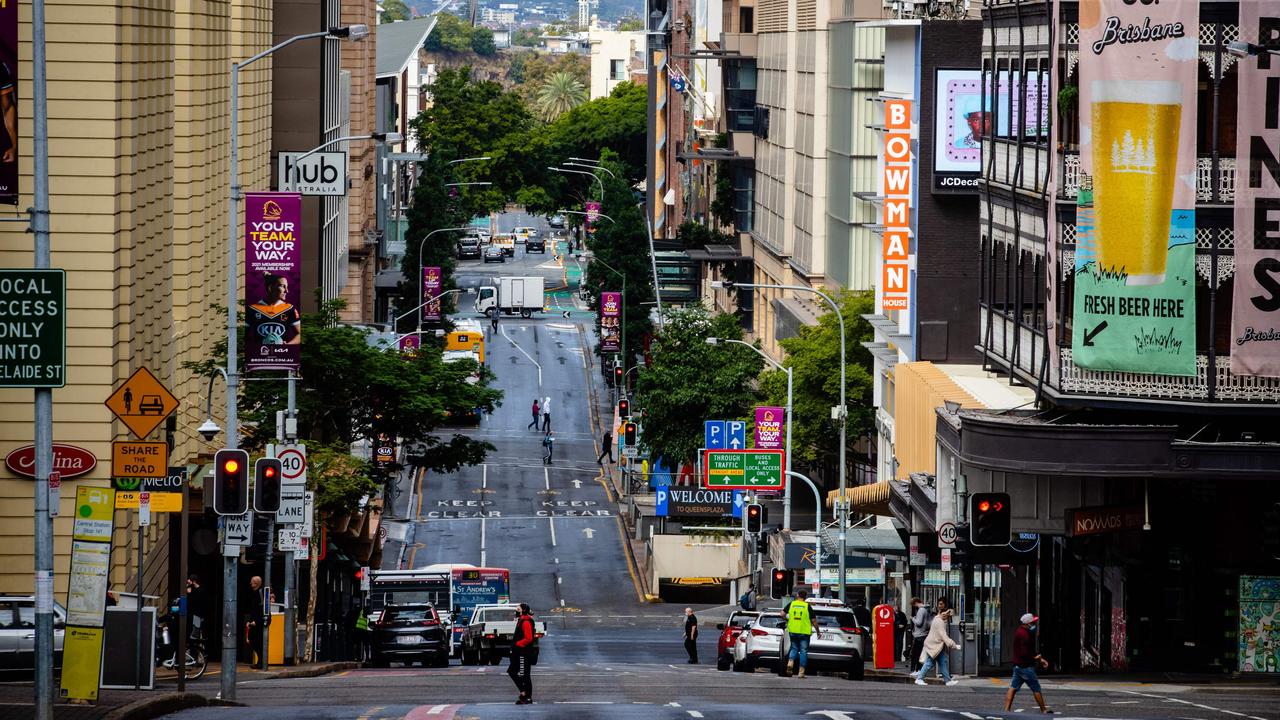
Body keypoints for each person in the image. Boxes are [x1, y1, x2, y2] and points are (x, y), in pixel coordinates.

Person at [1005, 613, 1053, 714]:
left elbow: (1029, 650)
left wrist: (1040, 659)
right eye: (1033, 622)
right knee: (1036, 687)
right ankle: (1043, 709)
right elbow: (1025, 652)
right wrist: (1035, 658)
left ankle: (1006, 710)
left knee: (1013, 687)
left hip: (1017, 666)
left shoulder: (1020, 631)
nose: (1035, 624)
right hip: (1025, 667)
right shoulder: (1024, 634)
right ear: (1027, 623)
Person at [248, 273, 301, 346]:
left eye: (287, 287)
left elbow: (300, 334)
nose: (287, 291)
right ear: (270, 288)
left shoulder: (290, 309)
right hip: (258, 355)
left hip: (282, 354)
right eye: (283, 286)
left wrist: (288, 345)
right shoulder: (252, 309)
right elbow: (243, 336)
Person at [915, 607, 960, 686]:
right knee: (930, 662)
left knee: (943, 662)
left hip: (935, 645)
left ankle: (947, 681)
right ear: (943, 613)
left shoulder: (937, 619)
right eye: (947, 614)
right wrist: (954, 645)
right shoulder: (939, 622)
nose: (948, 616)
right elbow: (943, 636)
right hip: (934, 645)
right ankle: (919, 678)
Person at [509, 603, 538, 704]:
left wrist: (518, 644)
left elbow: (529, 638)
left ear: (523, 610)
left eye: (517, 609)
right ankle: (524, 693)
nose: (516, 611)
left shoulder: (526, 621)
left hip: (523, 652)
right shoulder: (521, 620)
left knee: (523, 674)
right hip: (519, 652)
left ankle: (526, 695)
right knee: (516, 672)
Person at [784, 588, 815, 677]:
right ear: (805, 597)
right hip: (804, 633)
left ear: (798, 595)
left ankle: (790, 663)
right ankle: (801, 672)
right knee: (803, 651)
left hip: (793, 631)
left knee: (794, 648)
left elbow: (781, 614)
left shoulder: (792, 604)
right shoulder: (807, 606)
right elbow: (813, 620)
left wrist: (788, 620)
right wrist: (818, 630)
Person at [245, 575, 267, 666]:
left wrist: (256, 621)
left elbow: (261, 609)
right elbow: (253, 609)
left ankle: (261, 662)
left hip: (258, 622)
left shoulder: (260, 593)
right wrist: (250, 620)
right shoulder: (255, 593)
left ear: (256, 583)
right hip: (254, 621)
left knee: (256, 640)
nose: (250, 583)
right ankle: (260, 661)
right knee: (253, 640)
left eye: (252, 582)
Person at [909, 597, 931, 671]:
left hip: (919, 635)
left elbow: (919, 623)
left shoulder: (921, 610)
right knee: (920, 653)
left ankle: (915, 670)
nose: (914, 607)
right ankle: (918, 669)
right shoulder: (926, 609)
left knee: (915, 654)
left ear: (915, 603)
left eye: (913, 605)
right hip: (924, 634)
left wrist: (913, 619)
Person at [185, 573, 208, 643]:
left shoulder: (200, 591)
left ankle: (194, 650)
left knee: (195, 633)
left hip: (197, 615)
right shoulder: (193, 589)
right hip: (193, 614)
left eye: (190, 580)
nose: (188, 581)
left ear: (194, 581)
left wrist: (189, 593)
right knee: (192, 631)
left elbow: (194, 601)